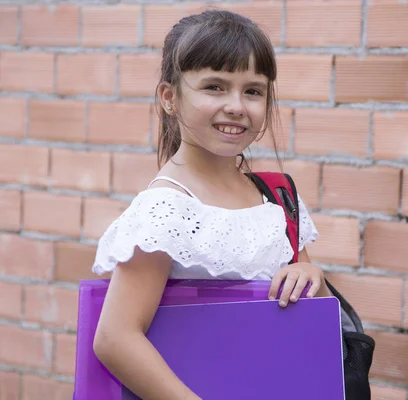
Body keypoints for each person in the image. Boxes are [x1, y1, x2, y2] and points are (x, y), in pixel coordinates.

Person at [91, 10, 331, 400]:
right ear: (169, 98)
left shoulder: (277, 197)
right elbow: (116, 338)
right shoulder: (165, 210)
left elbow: (312, 313)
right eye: (215, 87)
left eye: (253, 91)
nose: (237, 106)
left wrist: (312, 277)